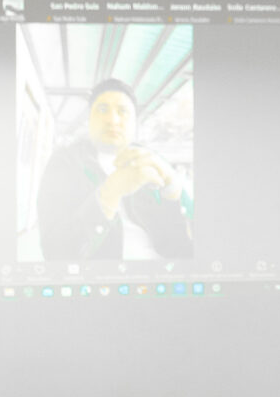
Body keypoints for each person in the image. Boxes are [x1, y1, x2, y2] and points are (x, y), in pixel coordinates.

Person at [36, 77, 193, 261]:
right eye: (103, 110)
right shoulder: (65, 163)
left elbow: (186, 246)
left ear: (135, 123)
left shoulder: (154, 161)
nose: (113, 120)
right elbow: (55, 252)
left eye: (123, 111)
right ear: (89, 120)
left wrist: (172, 191)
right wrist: (109, 193)